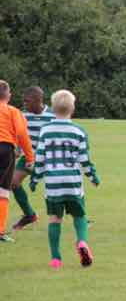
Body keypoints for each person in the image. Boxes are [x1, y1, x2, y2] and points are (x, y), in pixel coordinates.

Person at [30, 90, 100, 268]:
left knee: (54, 219)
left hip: (53, 185)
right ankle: (82, 241)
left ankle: (56, 258)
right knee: (79, 215)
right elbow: (84, 160)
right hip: (73, 183)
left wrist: (34, 179)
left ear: (53, 109)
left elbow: (40, 159)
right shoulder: (78, 131)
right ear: (72, 109)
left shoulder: (45, 131)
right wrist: (93, 176)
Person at [11, 86, 55, 231]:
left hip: (49, 158)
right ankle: (29, 215)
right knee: (13, 182)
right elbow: (19, 135)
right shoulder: (23, 115)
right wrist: (17, 149)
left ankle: (80, 216)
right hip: (29, 157)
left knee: (61, 187)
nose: (25, 104)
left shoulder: (53, 116)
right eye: (24, 101)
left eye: (27, 101)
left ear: (38, 100)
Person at [0, 81, 34, 243]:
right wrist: (30, 157)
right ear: (8, 95)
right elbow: (22, 134)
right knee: (3, 191)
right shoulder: (13, 111)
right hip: (5, 150)